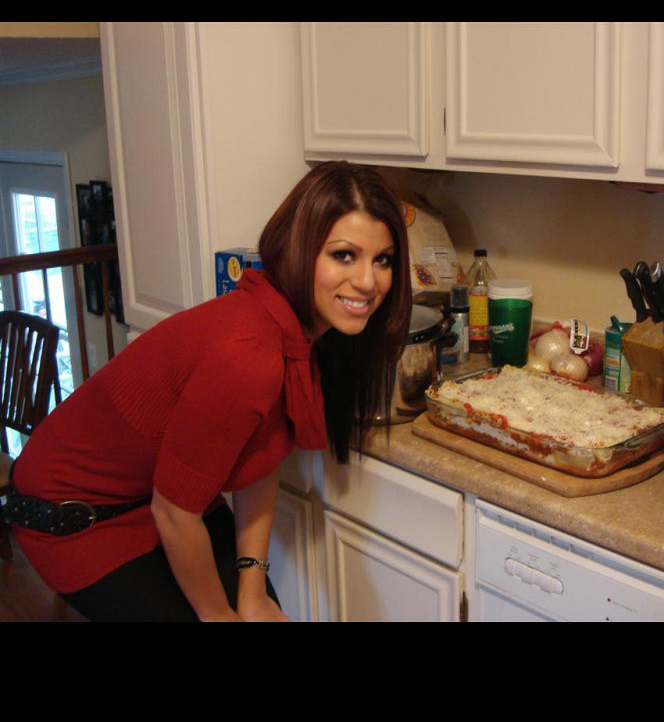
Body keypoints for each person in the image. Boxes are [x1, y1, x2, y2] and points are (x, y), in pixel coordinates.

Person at [5, 161, 412, 622]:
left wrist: (252, 593)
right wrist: (218, 614)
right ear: (298, 250)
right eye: (344, 255)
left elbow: (261, 459)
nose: (368, 282)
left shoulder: (303, 334)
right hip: (75, 516)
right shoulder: (249, 355)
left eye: (382, 259)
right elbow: (174, 513)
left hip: (160, 497)